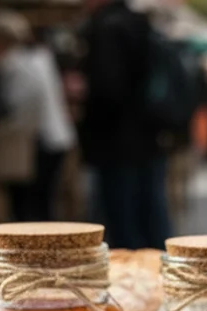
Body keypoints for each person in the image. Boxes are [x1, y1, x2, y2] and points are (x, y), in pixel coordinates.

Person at [79, 0, 170, 249]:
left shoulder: (109, 27)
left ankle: (137, 279)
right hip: (148, 137)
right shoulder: (140, 24)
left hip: (116, 142)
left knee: (124, 224)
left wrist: (83, 93)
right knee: (150, 216)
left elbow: (109, 90)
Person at [0, 12, 45, 223]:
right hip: (26, 136)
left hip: (18, 137)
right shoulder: (32, 61)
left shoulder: (11, 64)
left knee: (19, 200)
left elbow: (8, 105)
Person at [25, 29, 77, 221]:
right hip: (59, 135)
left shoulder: (32, 63)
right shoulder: (45, 60)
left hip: (47, 137)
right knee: (48, 195)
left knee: (41, 195)